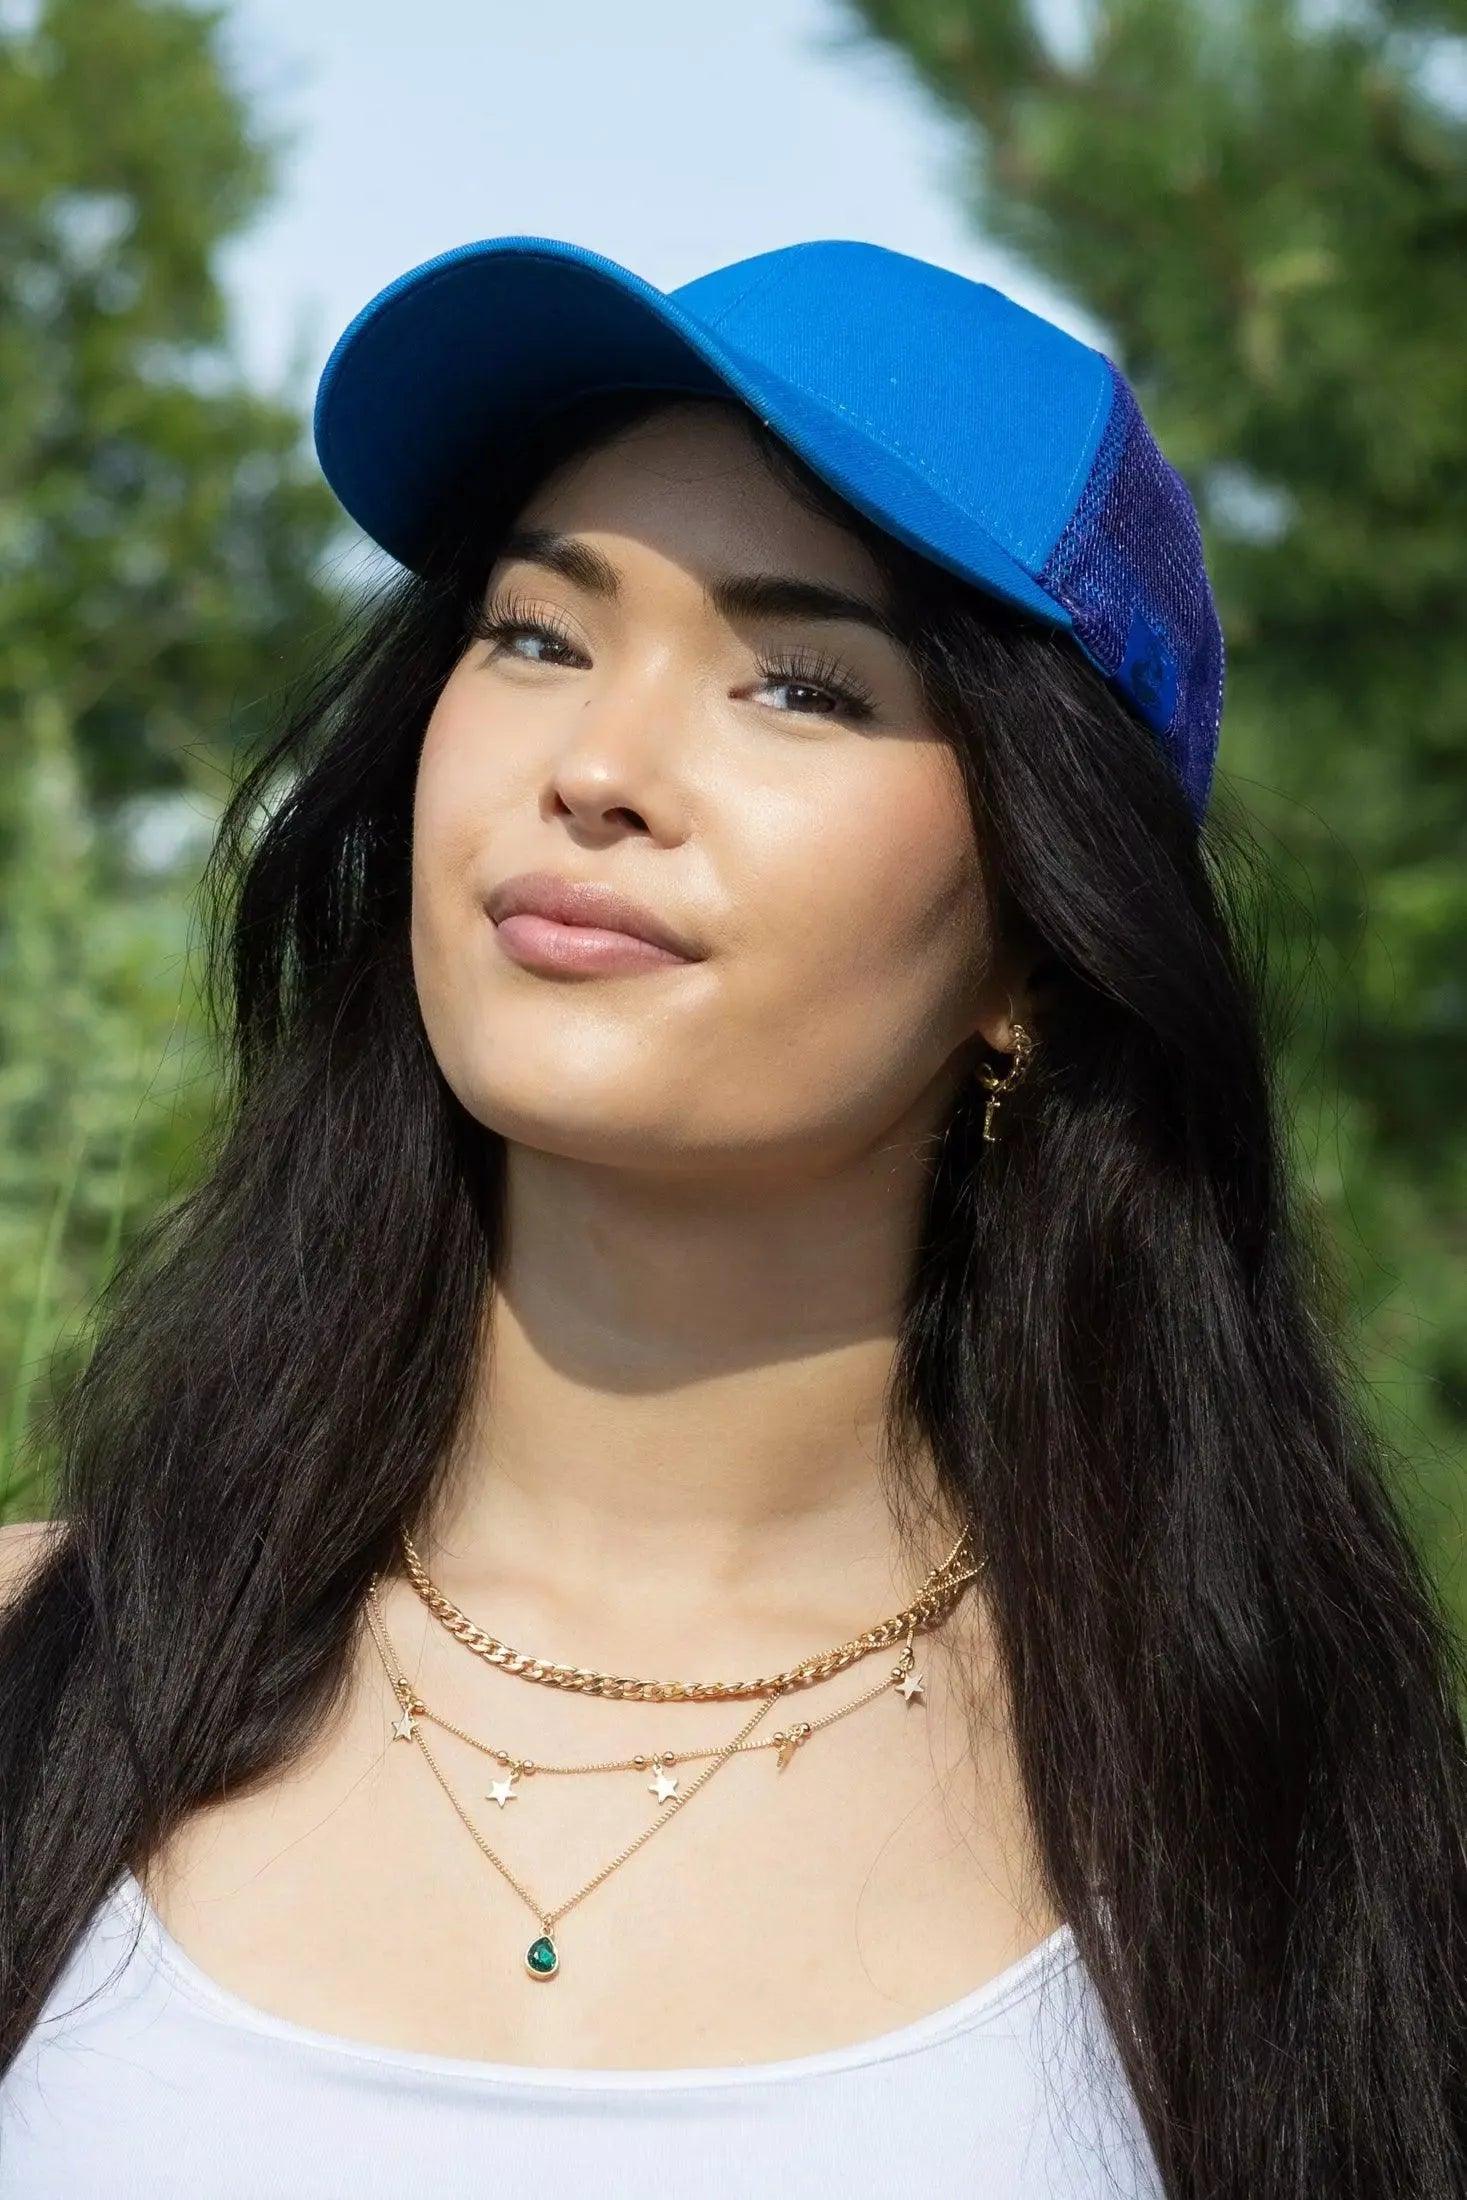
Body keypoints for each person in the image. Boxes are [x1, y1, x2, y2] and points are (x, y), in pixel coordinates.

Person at [0, 234, 1462, 2199]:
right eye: (533, 632)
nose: (594, 768)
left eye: (796, 680)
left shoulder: (1298, 1826)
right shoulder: (37, 1665)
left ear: (1040, 932)